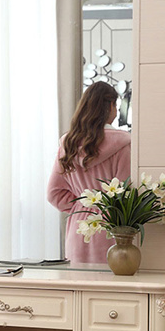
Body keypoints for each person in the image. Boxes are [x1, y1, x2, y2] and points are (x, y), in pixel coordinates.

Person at [47, 81, 131, 263]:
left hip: (79, 228)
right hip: (113, 228)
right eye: (116, 106)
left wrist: (82, 205)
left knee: (79, 280)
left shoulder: (68, 144)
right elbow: (125, 192)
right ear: (110, 106)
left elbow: (54, 194)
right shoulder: (124, 145)